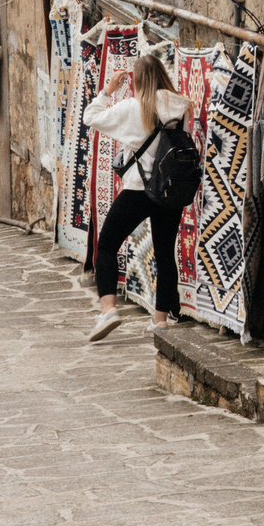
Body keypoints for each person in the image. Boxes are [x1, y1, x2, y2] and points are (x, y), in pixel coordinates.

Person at [80, 52, 188, 342]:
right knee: (166, 253)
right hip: (170, 189)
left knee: (106, 246)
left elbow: (90, 117)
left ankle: (108, 310)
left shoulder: (131, 107)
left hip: (138, 189)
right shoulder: (179, 105)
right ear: (163, 75)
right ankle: (160, 320)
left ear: (137, 80)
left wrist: (108, 91)